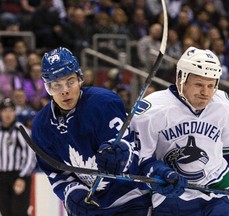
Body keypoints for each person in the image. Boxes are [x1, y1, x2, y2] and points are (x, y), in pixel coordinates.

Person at [102, 47, 229, 215]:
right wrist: (159, 172)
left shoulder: (225, 106)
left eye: (211, 85)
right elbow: (139, 157)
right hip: (170, 195)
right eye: (199, 85)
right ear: (181, 79)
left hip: (216, 190)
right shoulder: (152, 110)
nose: (205, 93)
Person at [30, 47, 151, 216]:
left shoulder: (104, 103)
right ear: (48, 88)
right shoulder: (41, 126)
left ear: (79, 79)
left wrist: (121, 154)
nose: (65, 90)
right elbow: (56, 172)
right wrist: (72, 194)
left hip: (130, 199)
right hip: (91, 206)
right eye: (56, 85)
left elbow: (130, 144)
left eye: (70, 81)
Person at [0, 98, 36, 216]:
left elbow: (31, 155)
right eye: (5, 110)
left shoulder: (21, 130)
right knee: (5, 212)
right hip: (2, 178)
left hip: (18, 176)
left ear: (15, 112)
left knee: (18, 212)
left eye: (11, 110)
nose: (8, 114)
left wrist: (22, 177)